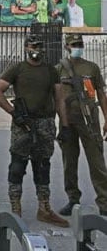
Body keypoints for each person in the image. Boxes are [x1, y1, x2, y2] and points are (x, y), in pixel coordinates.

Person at [0, 34, 70, 227]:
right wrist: (13, 113)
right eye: (32, 46)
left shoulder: (51, 71)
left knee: (42, 166)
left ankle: (44, 208)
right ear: (26, 48)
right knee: (17, 165)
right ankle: (15, 208)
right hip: (23, 124)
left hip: (45, 123)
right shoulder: (18, 69)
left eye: (39, 46)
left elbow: (59, 99)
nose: (36, 50)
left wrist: (65, 125)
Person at [55, 34, 107, 216]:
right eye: (74, 44)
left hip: (89, 120)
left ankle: (104, 201)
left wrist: (106, 118)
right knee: (69, 162)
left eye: (80, 44)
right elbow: (55, 96)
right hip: (67, 121)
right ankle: (72, 199)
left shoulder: (91, 68)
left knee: (97, 162)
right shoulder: (60, 68)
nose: (78, 46)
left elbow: (101, 93)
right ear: (67, 46)